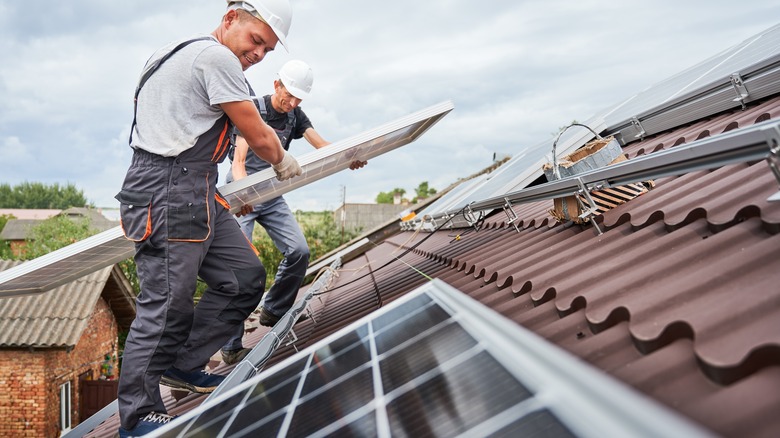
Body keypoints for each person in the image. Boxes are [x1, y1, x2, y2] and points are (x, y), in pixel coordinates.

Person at [114, 1, 301, 436]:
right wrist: (281, 158)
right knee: (166, 305)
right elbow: (256, 131)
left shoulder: (174, 54)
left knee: (244, 277)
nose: (258, 54)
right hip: (167, 187)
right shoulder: (215, 57)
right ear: (231, 17)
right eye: (256, 41)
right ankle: (138, 415)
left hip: (195, 186)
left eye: (268, 50)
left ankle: (183, 363)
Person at [220, 60, 366, 365]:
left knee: (299, 250)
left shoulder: (295, 116)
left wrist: (348, 157)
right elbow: (239, 163)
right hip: (243, 195)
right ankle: (231, 345)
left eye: (299, 98)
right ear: (277, 85)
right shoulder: (253, 109)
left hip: (272, 195)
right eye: (289, 95)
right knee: (241, 269)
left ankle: (273, 309)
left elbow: (321, 145)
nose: (293, 103)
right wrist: (244, 194)